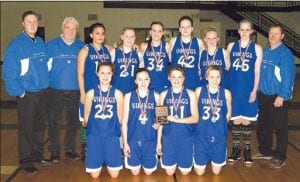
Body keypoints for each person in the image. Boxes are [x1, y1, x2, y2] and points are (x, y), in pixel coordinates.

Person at [2, 11, 51, 173]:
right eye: (29, 21)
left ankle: (37, 155)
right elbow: (8, 72)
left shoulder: (40, 42)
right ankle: (26, 161)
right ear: (23, 24)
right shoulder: (16, 45)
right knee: (26, 130)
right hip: (27, 94)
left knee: (39, 127)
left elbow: (44, 67)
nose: (32, 24)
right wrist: (19, 92)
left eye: (35, 21)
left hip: (42, 93)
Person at [253, 24, 296, 169]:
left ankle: (280, 156)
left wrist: (282, 96)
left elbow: (288, 77)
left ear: (282, 36)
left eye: (276, 34)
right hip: (263, 95)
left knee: (280, 128)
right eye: (271, 33)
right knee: (263, 126)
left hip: (277, 97)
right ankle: (266, 151)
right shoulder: (264, 51)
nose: (272, 36)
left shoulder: (285, 54)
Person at [46, 17, 84, 162]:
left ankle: (70, 149)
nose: (70, 31)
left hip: (75, 91)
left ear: (77, 31)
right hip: (54, 91)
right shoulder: (50, 46)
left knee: (73, 122)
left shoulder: (82, 47)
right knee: (53, 121)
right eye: (68, 28)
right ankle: (54, 151)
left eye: (74, 29)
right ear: (62, 29)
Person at [226, 19, 263, 166]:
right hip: (234, 89)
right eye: (242, 29)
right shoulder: (230, 46)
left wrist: (254, 90)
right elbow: (227, 67)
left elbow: (257, 71)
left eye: (247, 29)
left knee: (246, 121)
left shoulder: (257, 48)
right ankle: (236, 149)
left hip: (248, 89)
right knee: (236, 121)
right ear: (238, 30)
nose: (244, 32)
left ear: (252, 31)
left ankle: (247, 150)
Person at [77, 22, 113, 162]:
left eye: (102, 33)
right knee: (85, 122)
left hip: (105, 92)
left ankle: (102, 148)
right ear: (91, 35)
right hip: (89, 92)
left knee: (102, 120)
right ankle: (85, 148)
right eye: (97, 33)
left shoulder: (108, 49)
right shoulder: (85, 50)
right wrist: (82, 93)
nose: (100, 36)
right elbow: (80, 74)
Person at [83, 62, 123, 179]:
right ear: (97, 74)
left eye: (108, 73)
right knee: (95, 176)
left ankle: (108, 156)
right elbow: (86, 117)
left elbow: (120, 117)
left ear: (112, 75)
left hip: (111, 136)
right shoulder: (90, 93)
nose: (105, 76)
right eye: (102, 73)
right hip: (95, 135)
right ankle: (96, 155)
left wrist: (112, 131)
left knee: (114, 175)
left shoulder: (118, 94)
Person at [157, 66, 198, 175]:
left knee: (185, 173)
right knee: (169, 173)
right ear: (168, 78)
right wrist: (158, 143)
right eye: (173, 77)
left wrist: (177, 120)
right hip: (168, 138)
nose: (176, 80)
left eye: (179, 77)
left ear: (184, 78)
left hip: (186, 137)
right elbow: (161, 121)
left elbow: (195, 118)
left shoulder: (191, 94)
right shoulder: (163, 94)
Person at [194, 65, 232, 175]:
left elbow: (228, 115)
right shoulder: (199, 91)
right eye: (212, 77)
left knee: (216, 172)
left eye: (217, 77)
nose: (215, 80)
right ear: (206, 77)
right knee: (200, 173)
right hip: (201, 136)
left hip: (218, 136)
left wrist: (218, 127)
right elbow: (194, 112)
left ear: (221, 77)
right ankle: (195, 157)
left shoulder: (226, 93)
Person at [122, 68, 160, 175]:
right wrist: (125, 144)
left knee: (148, 173)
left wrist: (158, 125)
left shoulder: (157, 96)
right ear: (135, 81)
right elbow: (124, 122)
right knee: (135, 173)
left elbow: (162, 120)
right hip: (133, 139)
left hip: (150, 139)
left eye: (146, 79)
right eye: (140, 79)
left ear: (150, 80)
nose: (143, 82)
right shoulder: (128, 96)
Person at [169, 15, 204, 90]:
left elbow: (204, 61)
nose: (185, 29)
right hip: (176, 82)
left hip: (194, 81)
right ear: (179, 29)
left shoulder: (199, 42)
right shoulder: (173, 41)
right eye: (183, 27)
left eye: (188, 27)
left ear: (192, 28)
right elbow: (168, 59)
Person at [111, 27, 143, 95]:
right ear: (122, 37)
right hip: (116, 90)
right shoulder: (114, 52)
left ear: (135, 38)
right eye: (127, 36)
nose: (129, 39)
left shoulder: (139, 54)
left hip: (133, 91)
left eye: (132, 36)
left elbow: (141, 74)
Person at [141, 21, 170, 93]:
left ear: (163, 33)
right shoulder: (144, 46)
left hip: (164, 83)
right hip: (148, 84)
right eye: (154, 31)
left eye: (159, 31)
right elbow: (141, 64)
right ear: (150, 32)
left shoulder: (167, 46)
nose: (156, 33)